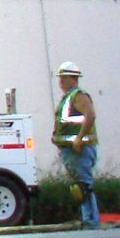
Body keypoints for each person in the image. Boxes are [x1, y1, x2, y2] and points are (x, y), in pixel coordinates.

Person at [52, 61, 100, 229]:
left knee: (83, 186)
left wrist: (79, 139)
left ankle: (90, 221)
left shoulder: (78, 96)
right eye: (60, 78)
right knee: (79, 186)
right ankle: (87, 219)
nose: (61, 82)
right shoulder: (69, 97)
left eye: (64, 78)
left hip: (79, 149)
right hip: (72, 149)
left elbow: (90, 115)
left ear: (73, 79)